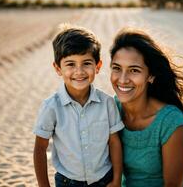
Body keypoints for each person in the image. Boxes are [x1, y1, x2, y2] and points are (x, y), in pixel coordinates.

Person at [33, 24, 124, 187]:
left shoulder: (107, 103)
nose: (79, 71)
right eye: (70, 64)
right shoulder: (51, 107)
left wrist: (117, 179)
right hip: (67, 182)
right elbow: (40, 148)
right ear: (58, 68)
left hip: (104, 180)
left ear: (98, 66)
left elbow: (114, 142)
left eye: (86, 63)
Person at [109, 27, 183, 187]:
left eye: (134, 70)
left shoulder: (171, 124)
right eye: (117, 68)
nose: (122, 79)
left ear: (150, 75)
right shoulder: (112, 109)